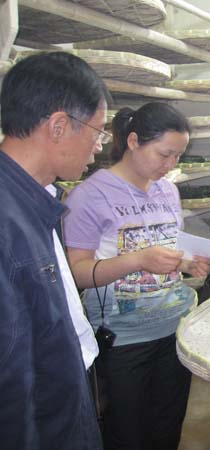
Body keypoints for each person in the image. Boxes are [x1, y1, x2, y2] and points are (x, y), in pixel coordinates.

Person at [63, 102, 210, 450]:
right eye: (164, 154)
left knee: (167, 428)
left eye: (178, 156)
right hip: (123, 338)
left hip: (174, 330)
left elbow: (166, 247)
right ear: (133, 141)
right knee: (127, 435)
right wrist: (138, 260)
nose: (170, 165)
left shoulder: (168, 190)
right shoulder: (90, 195)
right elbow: (78, 273)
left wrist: (185, 263)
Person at [0, 51, 108, 449]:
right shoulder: (6, 219)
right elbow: (10, 384)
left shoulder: (37, 198)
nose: (99, 147)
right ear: (59, 126)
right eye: (98, 131)